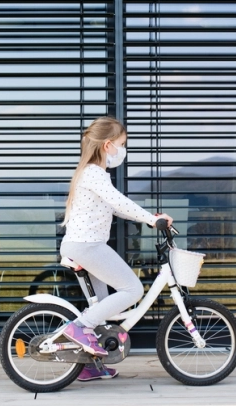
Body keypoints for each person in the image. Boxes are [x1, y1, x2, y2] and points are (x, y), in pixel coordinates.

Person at [60, 116, 172, 382]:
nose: (123, 149)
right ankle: (77, 328)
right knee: (133, 289)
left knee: (101, 307)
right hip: (87, 246)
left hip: (84, 245)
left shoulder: (93, 174)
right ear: (108, 145)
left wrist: (149, 216)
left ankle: (87, 365)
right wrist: (150, 218)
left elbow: (117, 208)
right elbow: (119, 201)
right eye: (122, 144)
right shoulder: (93, 173)